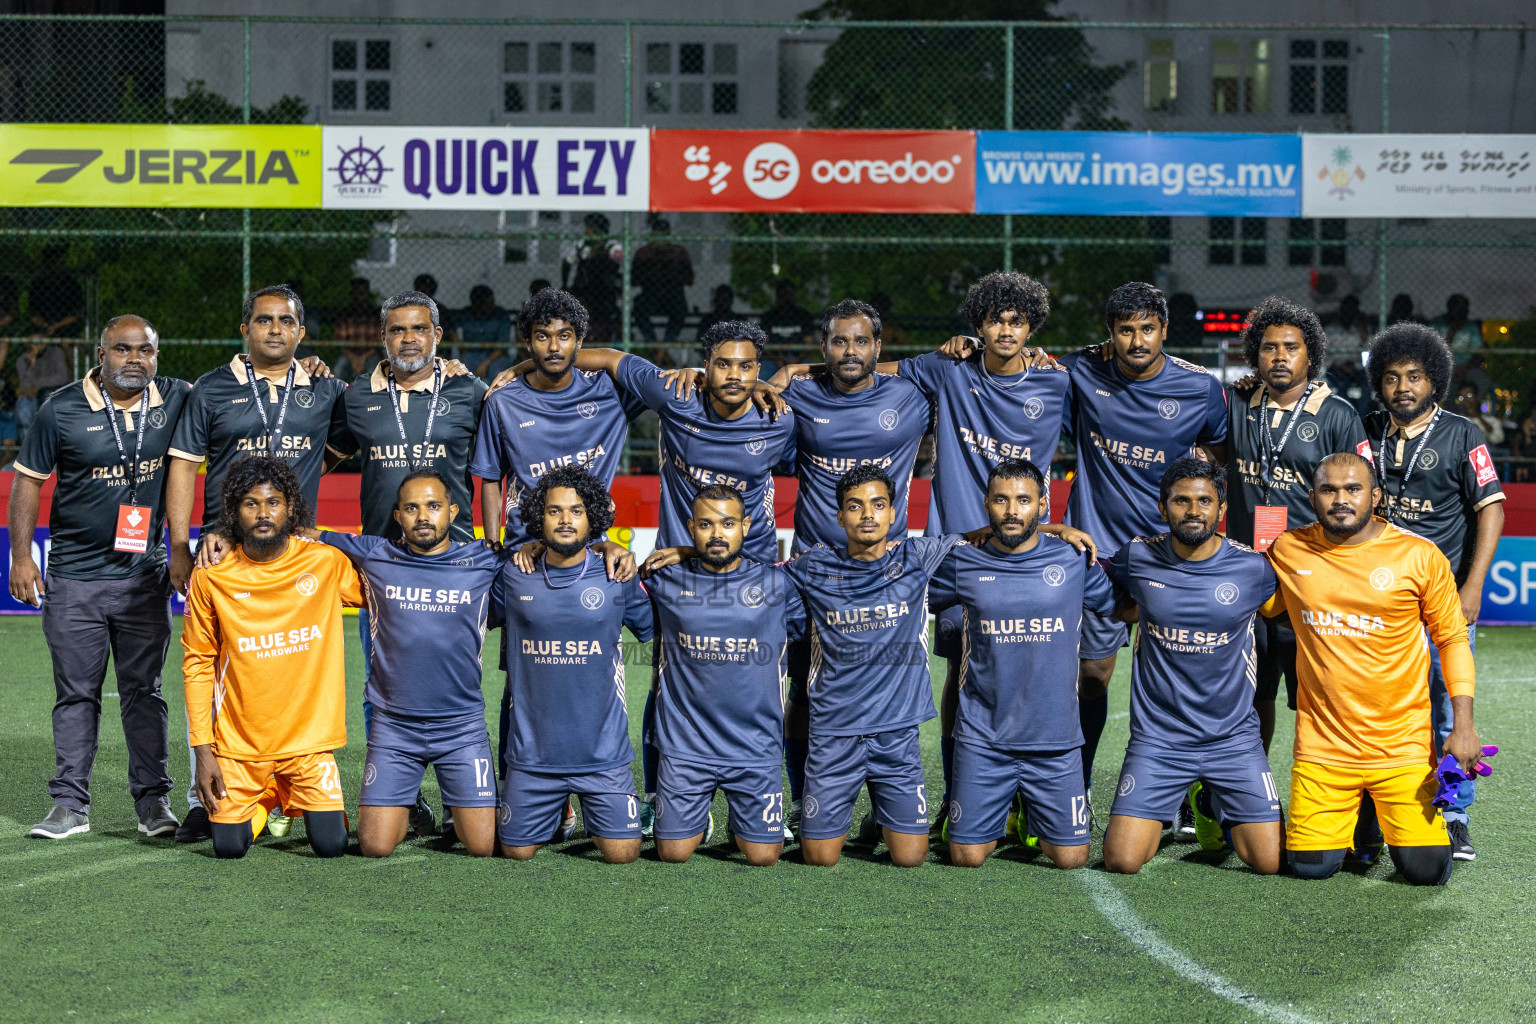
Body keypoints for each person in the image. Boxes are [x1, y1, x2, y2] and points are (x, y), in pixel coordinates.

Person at [520, 320, 796, 830]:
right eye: (722, 364)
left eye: (746, 366)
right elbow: (602, 356)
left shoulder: (778, 420)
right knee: (665, 678)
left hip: (751, 570)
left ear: (760, 370)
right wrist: (520, 368)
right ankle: (657, 795)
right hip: (679, 568)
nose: (734, 375)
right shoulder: (674, 395)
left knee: (758, 683)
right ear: (704, 364)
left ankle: (770, 799)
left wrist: (777, 383)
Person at [165, 283, 350, 842]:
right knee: (217, 669)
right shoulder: (212, 389)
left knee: (284, 671)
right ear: (245, 329)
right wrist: (182, 544)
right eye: (264, 320)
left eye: (286, 321)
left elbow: (343, 444)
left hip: (292, 556)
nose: (275, 329)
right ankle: (209, 795)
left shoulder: (326, 389)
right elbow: (183, 468)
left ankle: (288, 789)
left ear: (300, 331)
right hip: (227, 549)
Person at [11, 316, 189, 840]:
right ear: (101, 352)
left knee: (145, 693)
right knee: (76, 694)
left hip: (143, 579)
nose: (135, 359)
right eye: (122, 349)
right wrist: (22, 557)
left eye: (146, 351)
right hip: (74, 580)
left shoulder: (177, 398)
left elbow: (231, 393)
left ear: (157, 355)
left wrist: (309, 366)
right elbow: (27, 483)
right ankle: (69, 805)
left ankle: (154, 803)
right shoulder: (61, 408)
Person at [1264, 453, 1480, 886]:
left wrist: (1463, 725)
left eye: (1353, 489)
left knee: (1427, 871)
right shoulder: (1288, 550)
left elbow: (1453, 639)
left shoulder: (1418, 556)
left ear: (1375, 496)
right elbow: (1264, 606)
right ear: (1312, 497)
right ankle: (1361, 812)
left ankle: (1374, 814)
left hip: (1401, 748)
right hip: (1324, 749)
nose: (1340, 499)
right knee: (1311, 868)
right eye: (1329, 490)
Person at [1058, 282, 1228, 807]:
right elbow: (1029, 370)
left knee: (1182, 678)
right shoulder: (1081, 373)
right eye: (1126, 330)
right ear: (1109, 334)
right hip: (1100, 554)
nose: (1137, 340)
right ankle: (1073, 790)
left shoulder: (1199, 388)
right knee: (1092, 674)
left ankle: (1190, 802)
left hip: (1170, 556)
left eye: (1147, 329)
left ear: (1164, 330)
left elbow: (1218, 454)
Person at [766, 300, 930, 831]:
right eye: (839, 342)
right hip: (815, 569)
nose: (850, 352)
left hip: (890, 572)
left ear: (879, 349)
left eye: (861, 342)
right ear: (823, 348)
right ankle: (800, 796)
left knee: (895, 685)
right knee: (806, 690)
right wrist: (783, 375)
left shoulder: (911, 396)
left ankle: (890, 805)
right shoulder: (798, 394)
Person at [471, 288, 645, 781]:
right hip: (528, 557)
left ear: (580, 340)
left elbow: (656, 379)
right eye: (541, 337)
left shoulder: (610, 390)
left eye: (564, 337)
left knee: (590, 669)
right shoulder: (503, 401)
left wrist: (599, 357)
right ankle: (518, 782)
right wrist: (495, 545)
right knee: (524, 677)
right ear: (527, 340)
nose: (553, 347)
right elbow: (487, 475)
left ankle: (598, 779)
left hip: (592, 552)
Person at [1100, 458, 1282, 876]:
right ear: (1163, 508)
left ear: (1221, 508)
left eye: (1204, 501)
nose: (1193, 511)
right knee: (1122, 860)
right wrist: (1061, 530)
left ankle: (1209, 797)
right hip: (1160, 739)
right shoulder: (1137, 557)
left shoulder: (1253, 569)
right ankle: (1192, 792)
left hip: (1232, 740)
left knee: (1268, 862)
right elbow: (1092, 577)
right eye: (1181, 501)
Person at [1363, 323, 1504, 860]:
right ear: (1380, 381)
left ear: (1434, 381)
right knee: (1386, 707)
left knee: (1448, 708)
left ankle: (1457, 812)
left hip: (1443, 600)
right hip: (1381, 601)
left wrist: (1472, 585)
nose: (1403, 386)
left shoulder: (1462, 433)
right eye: (1393, 376)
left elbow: (1490, 507)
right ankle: (1378, 808)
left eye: (1415, 376)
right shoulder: (1366, 429)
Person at [927, 459, 1112, 869]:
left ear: (1042, 505)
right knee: (967, 856)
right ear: (986, 504)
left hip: (1055, 740)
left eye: (1024, 500)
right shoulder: (963, 563)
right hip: (983, 737)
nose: (1012, 510)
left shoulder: (1073, 560)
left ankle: (1029, 807)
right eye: (1001, 500)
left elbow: (1127, 606)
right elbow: (906, 590)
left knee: (1071, 859)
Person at [781, 465, 966, 868]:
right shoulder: (813, 566)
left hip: (896, 732)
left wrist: (1057, 531)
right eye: (855, 506)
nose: (868, 514)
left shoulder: (917, 557)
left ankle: (879, 816)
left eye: (878, 504)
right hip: (833, 733)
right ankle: (862, 815)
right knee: (818, 858)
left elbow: (990, 540)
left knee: (911, 858)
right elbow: (747, 577)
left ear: (893, 512)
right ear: (840, 516)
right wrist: (686, 552)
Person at [181, 456, 362, 859]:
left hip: (309, 742)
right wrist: (203, 751)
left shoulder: (324, 561)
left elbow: (379, 590)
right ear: (234, 512)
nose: (263, 513)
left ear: (291, 507)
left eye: (273, 502)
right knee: (228, 847)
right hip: (241, 745)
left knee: (331, 846)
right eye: (251, 504)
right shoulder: (212, 574)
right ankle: (268, 798)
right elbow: (196, 663)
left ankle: (289, 795)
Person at [316, 471, 505, 857]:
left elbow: (548, 552)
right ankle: (407, 802)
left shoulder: (484, 560)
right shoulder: (374, 554)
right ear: (397, 515)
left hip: (461, 725)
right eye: (412, 508)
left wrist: (606, 549)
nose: (423, 516)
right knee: (375, 847)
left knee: (483, 846)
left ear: (452, 511)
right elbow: (307, 535)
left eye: (434, 506)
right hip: (394, 726)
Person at [1226, 297, 1367, 752]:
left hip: (1313, 580)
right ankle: (1250, 799)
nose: (1280, 356)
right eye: (1269, 348)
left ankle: (1322, 801)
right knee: (1248, 697)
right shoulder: (1235, 403)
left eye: (1291, 347)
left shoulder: (1338, 415)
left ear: (1311, 355)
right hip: (1247, 577)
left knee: (1317, 698)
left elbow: (1362, 499)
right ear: (1255, 355)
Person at [639, 485, 806, 865]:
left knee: (763, 857)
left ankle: (741, 821)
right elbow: (612, 580)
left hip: (754, 746)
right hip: (687, 748)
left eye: (728, 524)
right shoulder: (664, 579)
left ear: (745, 526)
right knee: (672, 854)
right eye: (706, 524)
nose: (717, 534)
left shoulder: (778, 584)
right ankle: (701, 821)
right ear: (690, 528)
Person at [494, 466, 653, 863]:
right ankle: (559, 809)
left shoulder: (617, 574)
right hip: (533, 757)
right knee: (516, 853)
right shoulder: (513, 575)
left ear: (592, 517)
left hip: (603, 755)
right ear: (538, 518)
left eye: (577, 511)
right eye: (554, 511)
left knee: (623, 854)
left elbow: (654, 634)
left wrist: (608, 548)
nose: (566, 520)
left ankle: (588, 805)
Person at [632, 217, 694, 354]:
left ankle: (665, 345)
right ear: (652, 235)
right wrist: (651, 272)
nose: (660, 238)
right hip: (650, 296)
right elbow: (633, 280)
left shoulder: (678, 252)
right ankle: (653, 343)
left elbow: (690, 279)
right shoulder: (643, 253)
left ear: (668, 234)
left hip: (673, 296)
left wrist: (671, 273)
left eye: (663, 234)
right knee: (638, 307)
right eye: (657, 234)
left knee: (680, 310)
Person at [563, 214, 622, 345]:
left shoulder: (611, 245)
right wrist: (565, 284)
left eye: (588, 229)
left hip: (605, 292)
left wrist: (599, 250)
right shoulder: (581, 245)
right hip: (584, 289)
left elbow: (617, 258)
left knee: (606, 321)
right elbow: (567, 262)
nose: (585, 232)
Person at [13, 339, 71, 435]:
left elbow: (62, 377)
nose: (38, 344)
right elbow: (24, 386)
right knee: (23, 406)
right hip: (32, 396)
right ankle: (28, 445)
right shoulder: (22, 359)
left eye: (40, 340)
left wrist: (37, 385)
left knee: (50, 400)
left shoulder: (55, 352)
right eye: (34, 341)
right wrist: (31, 364)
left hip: (52, 392)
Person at [453, 284, 511, 376]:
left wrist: (486, 363)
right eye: (486, 303)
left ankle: (494, 391)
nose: (491, 306)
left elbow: (502, 346)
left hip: (495, 356)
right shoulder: (466, 314)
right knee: (464, 370)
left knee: (498, 372)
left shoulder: (500, 315)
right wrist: (462, 349)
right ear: (476, 304)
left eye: (492, 302)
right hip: (472, 353)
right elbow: (452, 329)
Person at [757, 279, 817, 362]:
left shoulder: (803, 316)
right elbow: (764, 344)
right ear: (777, 296)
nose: (786, 298)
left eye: (789, 294)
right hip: (773, 359)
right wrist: (778, 360)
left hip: (798, 357)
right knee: (763, 372)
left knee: (810, 371)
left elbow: (809, 342)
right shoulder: (769, 316)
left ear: (794, 295)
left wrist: (798, 359)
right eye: (783, 295)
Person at [1429, 293, 1481, 365]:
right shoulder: (1436, 324)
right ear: (1450, 307)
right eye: (1457, 307)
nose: (1460, 312)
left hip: (1465, 366)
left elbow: (1477, 353)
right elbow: (1435, 353)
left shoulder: (1471, 327)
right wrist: (1452, 332)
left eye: (1463, 308)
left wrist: (1464, 369)